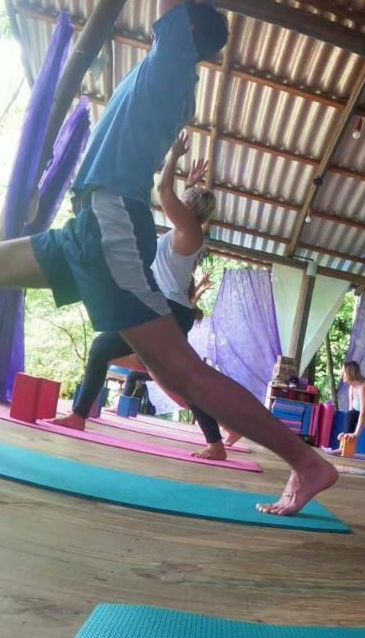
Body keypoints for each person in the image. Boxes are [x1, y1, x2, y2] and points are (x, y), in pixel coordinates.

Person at [0, 0, 337, 515]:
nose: (171, 15)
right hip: (92, 225)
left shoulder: (173, 57)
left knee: (179, 373)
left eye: (185, 15)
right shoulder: (176, 67)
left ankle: (306, 462)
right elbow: (193, 11)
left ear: (187, 33)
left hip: (113, 225)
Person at [50, 137, 233, 462]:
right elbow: (175, 201)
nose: (179, 201)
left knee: (153, 367)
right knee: (168, 373)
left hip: (167, 311)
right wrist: (188, 184)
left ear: (190, 209)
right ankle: (217, 441)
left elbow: (164, 193)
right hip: (161, 309)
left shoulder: (191, 231)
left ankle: (79, 416)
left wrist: (173, 156)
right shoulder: (186, 230)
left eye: (186, 199)